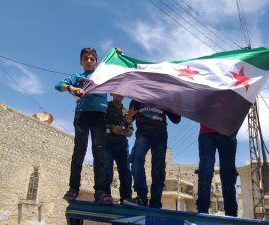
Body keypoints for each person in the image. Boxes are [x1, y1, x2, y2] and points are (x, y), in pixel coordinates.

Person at [55, 47, 113, 204]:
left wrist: (117, 54)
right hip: (82, 115)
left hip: (100, 116)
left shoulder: (102, 76)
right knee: (79, 150)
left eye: (92, 58)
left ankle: (101, 191)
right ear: (81, 61)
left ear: (96, 61)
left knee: (99, 153)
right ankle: (73, 188)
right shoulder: (77, 77)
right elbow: (58, 85)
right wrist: (71, 88)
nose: (89, 61)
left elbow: (115, 68)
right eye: (86, 58)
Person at [123, 101, 181, 208]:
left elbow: (176, 119)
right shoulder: (138, 96)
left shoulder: (164, 96)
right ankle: (141, 198)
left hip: (160, 135)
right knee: (136, 160)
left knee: (158, 168)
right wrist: (127, 120)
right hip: (143, 134)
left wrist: (173, 103)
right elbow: (129, 119)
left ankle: (155, 201)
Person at [196, 124, 238, 217]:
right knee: (205, 174)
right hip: (210, 130)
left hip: (226, 130)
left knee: (227, 174)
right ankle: (202, 214)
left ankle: (231, 216)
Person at [104, 93, 134, 204]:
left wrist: (127, 128)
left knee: (126, 172)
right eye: (117, 91)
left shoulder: (126, 111)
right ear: (112, 93)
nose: (120, 94)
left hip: (122, 145)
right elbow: (99, 125)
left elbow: (130, 132)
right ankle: (105, 196)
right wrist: (112, 129)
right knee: (107, 171)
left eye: (122, 91)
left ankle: (126, 198)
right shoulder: (105, 107)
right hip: (107, 144)